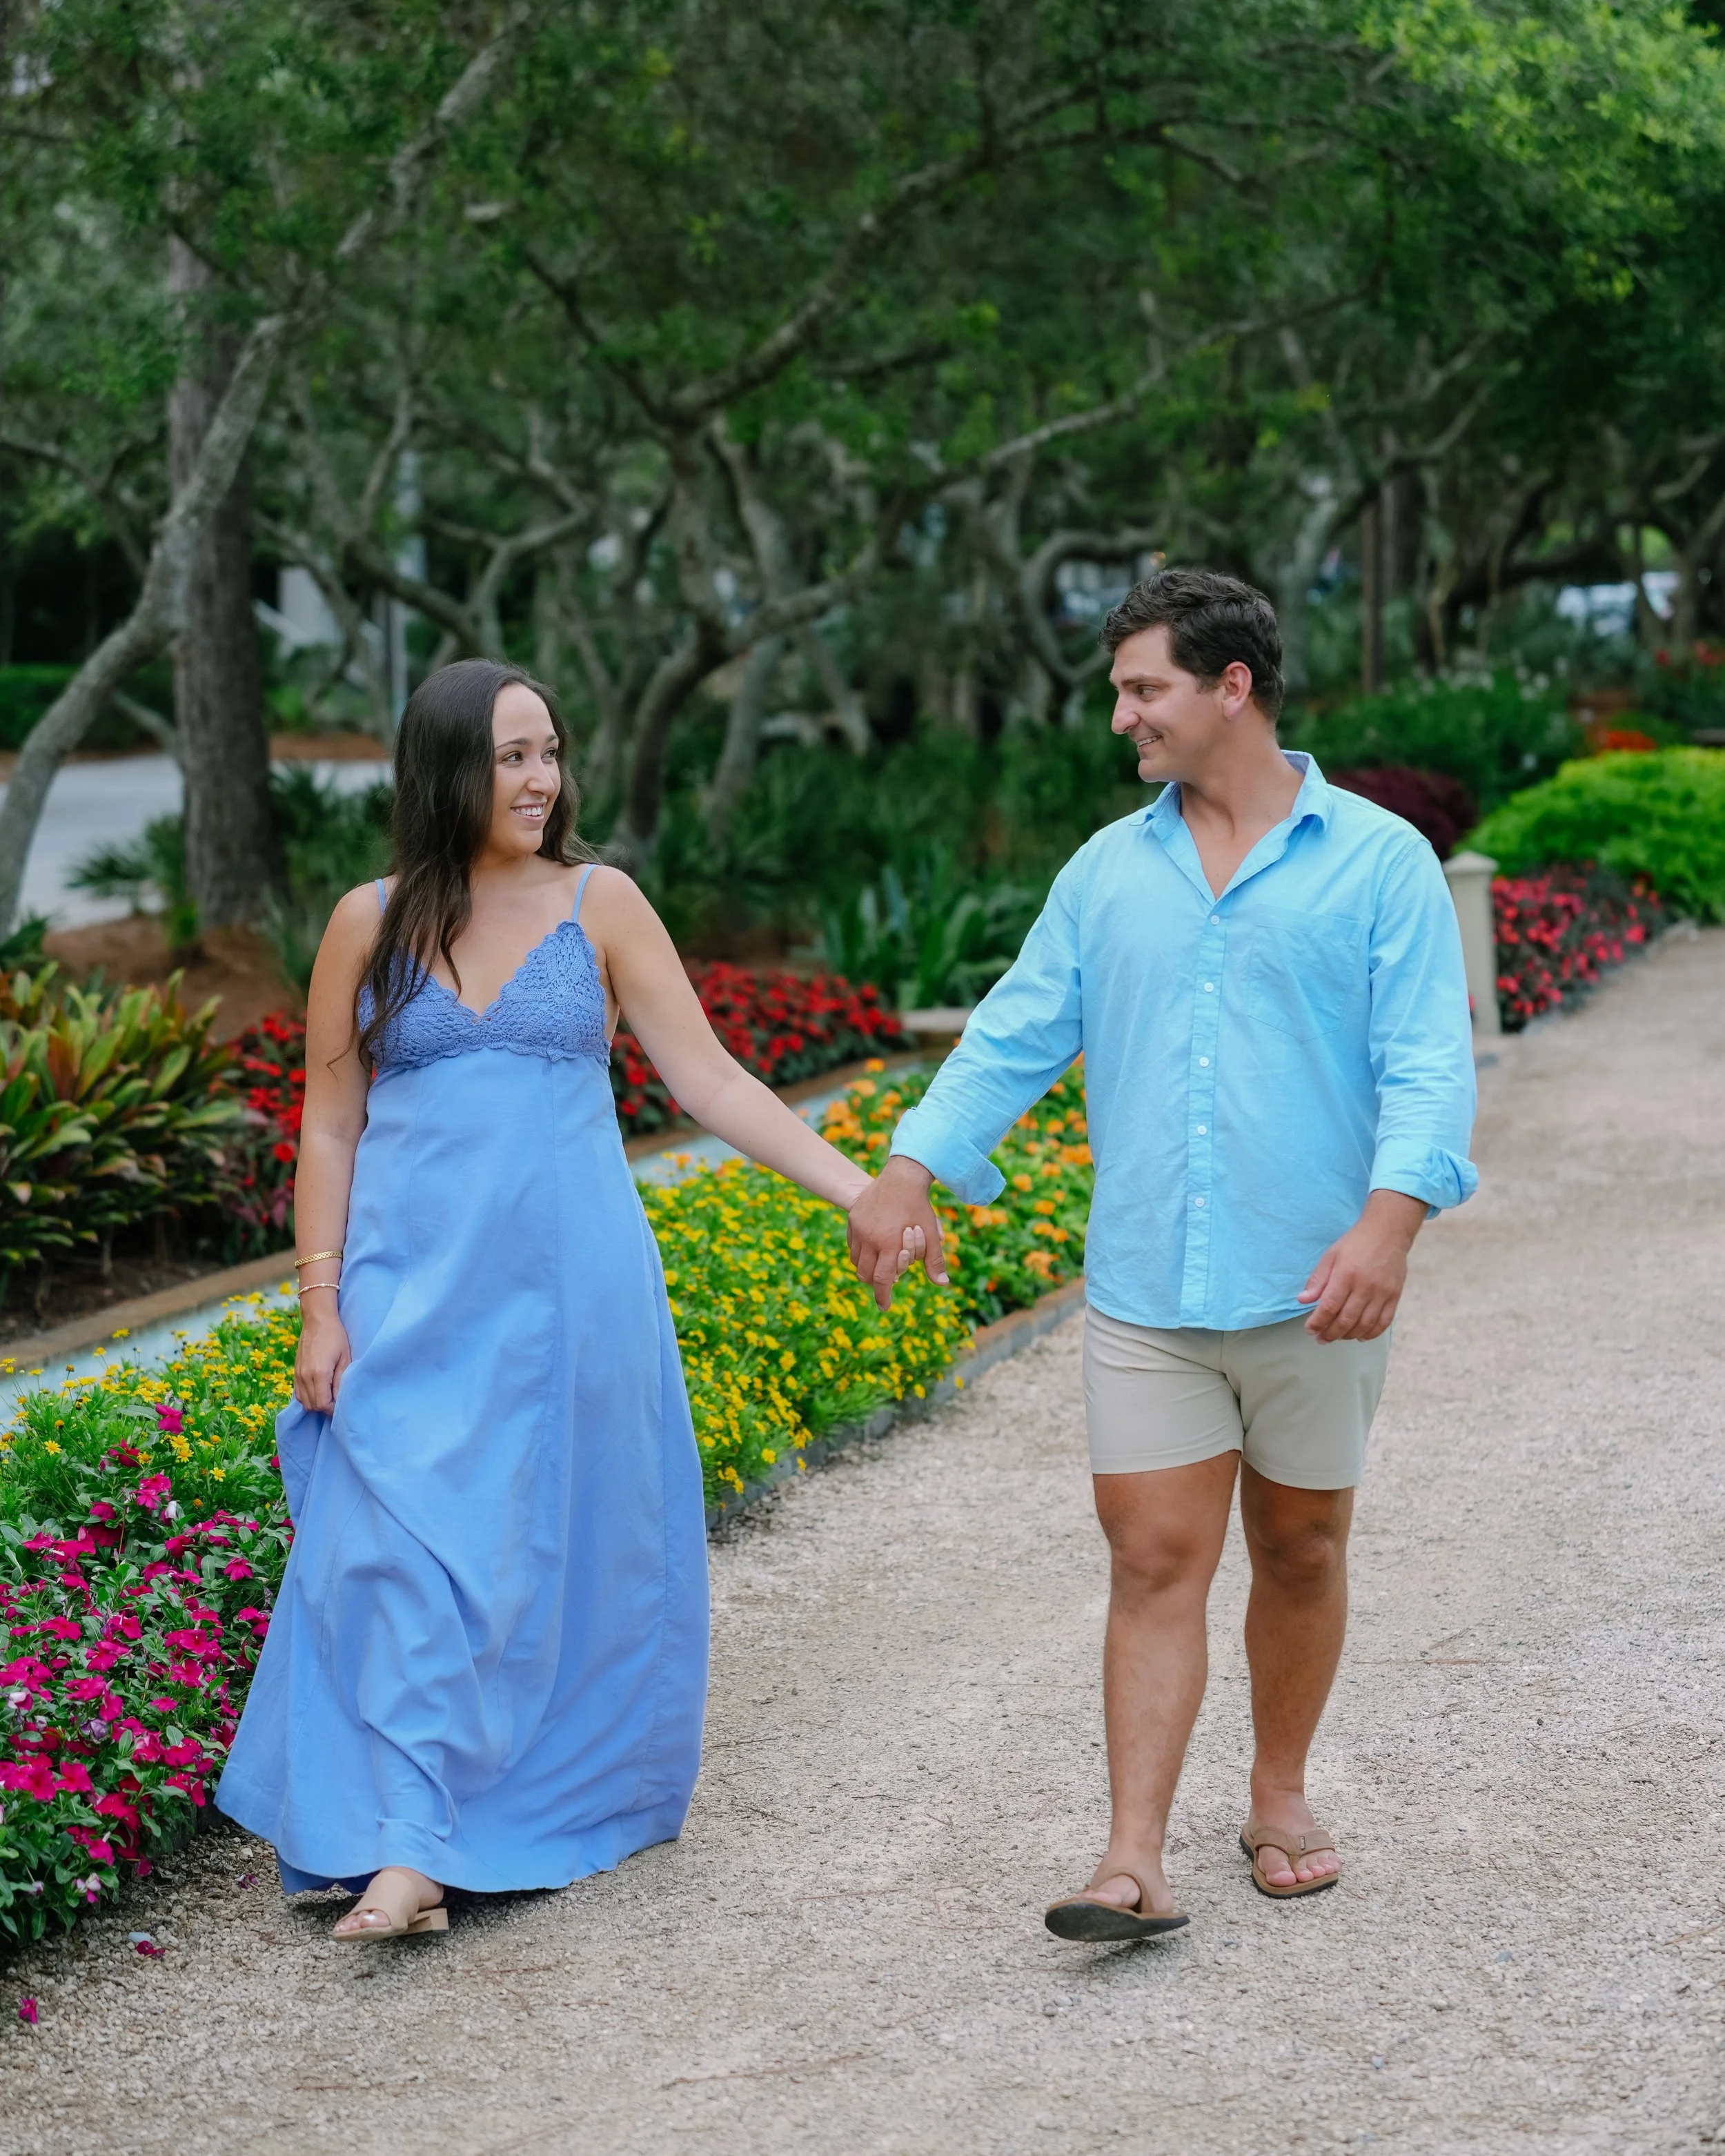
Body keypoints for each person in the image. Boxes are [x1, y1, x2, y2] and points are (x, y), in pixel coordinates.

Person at [217, 658, 914, 1941]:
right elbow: (327, 1131)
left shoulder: (601, 903)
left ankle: (426, 1850)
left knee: (530, 1553)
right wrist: (322, 1307)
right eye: (510, 757)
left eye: (548, 751)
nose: (540, 780)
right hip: (407, 1290)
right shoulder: (364, 922)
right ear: (445, 771)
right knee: (399, 1551)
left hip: (564, 1295)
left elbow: (710, 1082)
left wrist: (858, 1188)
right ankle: (407, 1832)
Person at [848, 569, 1477, 1939]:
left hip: (1318, 1286)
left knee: (1301, 1545)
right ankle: (1129, 1854)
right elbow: (1013, 1034)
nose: (1121, 715)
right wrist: (907, 1166)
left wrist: (1389, 1220)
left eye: (1143, 689)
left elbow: (1426, 1065)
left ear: (1229, 686)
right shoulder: (1104, 871)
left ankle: (1278, 1788)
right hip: (1146, 1290)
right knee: (1149, 1558)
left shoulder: (1375, 862)